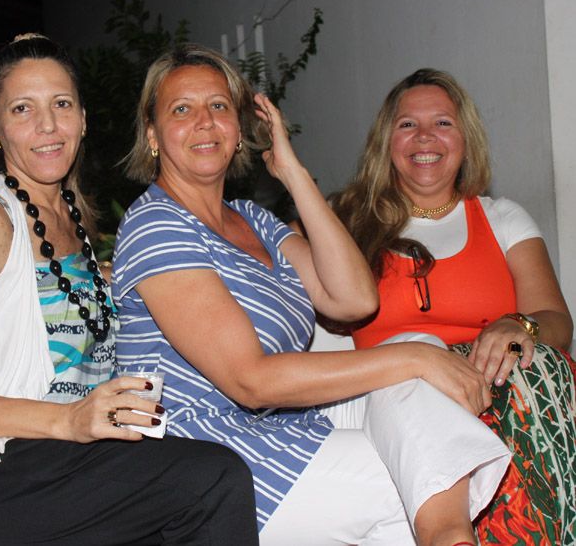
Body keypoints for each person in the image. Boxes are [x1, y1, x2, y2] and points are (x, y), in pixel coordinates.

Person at [112, 43, 511, 546]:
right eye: (181, 110)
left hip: (284, 421)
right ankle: (449, 537)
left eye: (218, 106)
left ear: (240, 128)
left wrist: (293, 173)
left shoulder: (252, 220)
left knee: (419, 352)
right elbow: (250, 380)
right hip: (209, 451)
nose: (205, 122)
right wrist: (411, 360)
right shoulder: (156, 224)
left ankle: (448, 536)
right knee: (410, 470)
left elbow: (354, 300)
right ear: (152, 135)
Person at [0, 34, 259, 546]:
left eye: (61, 104)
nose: (47, 125)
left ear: (82, 119)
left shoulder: (72, 218)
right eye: (22, 109)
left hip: (53, 452)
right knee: (214, 478)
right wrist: (67, 420)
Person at [329, 67, 576, 545]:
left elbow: (557, 322)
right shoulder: (348, 223)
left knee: (545, 366)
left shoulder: (502, 217)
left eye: (442, 122)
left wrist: (517, 324)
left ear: (465, 140)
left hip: (499, 385)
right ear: (386, 142)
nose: (425, 137)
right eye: (407, 124)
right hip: (398, 392)